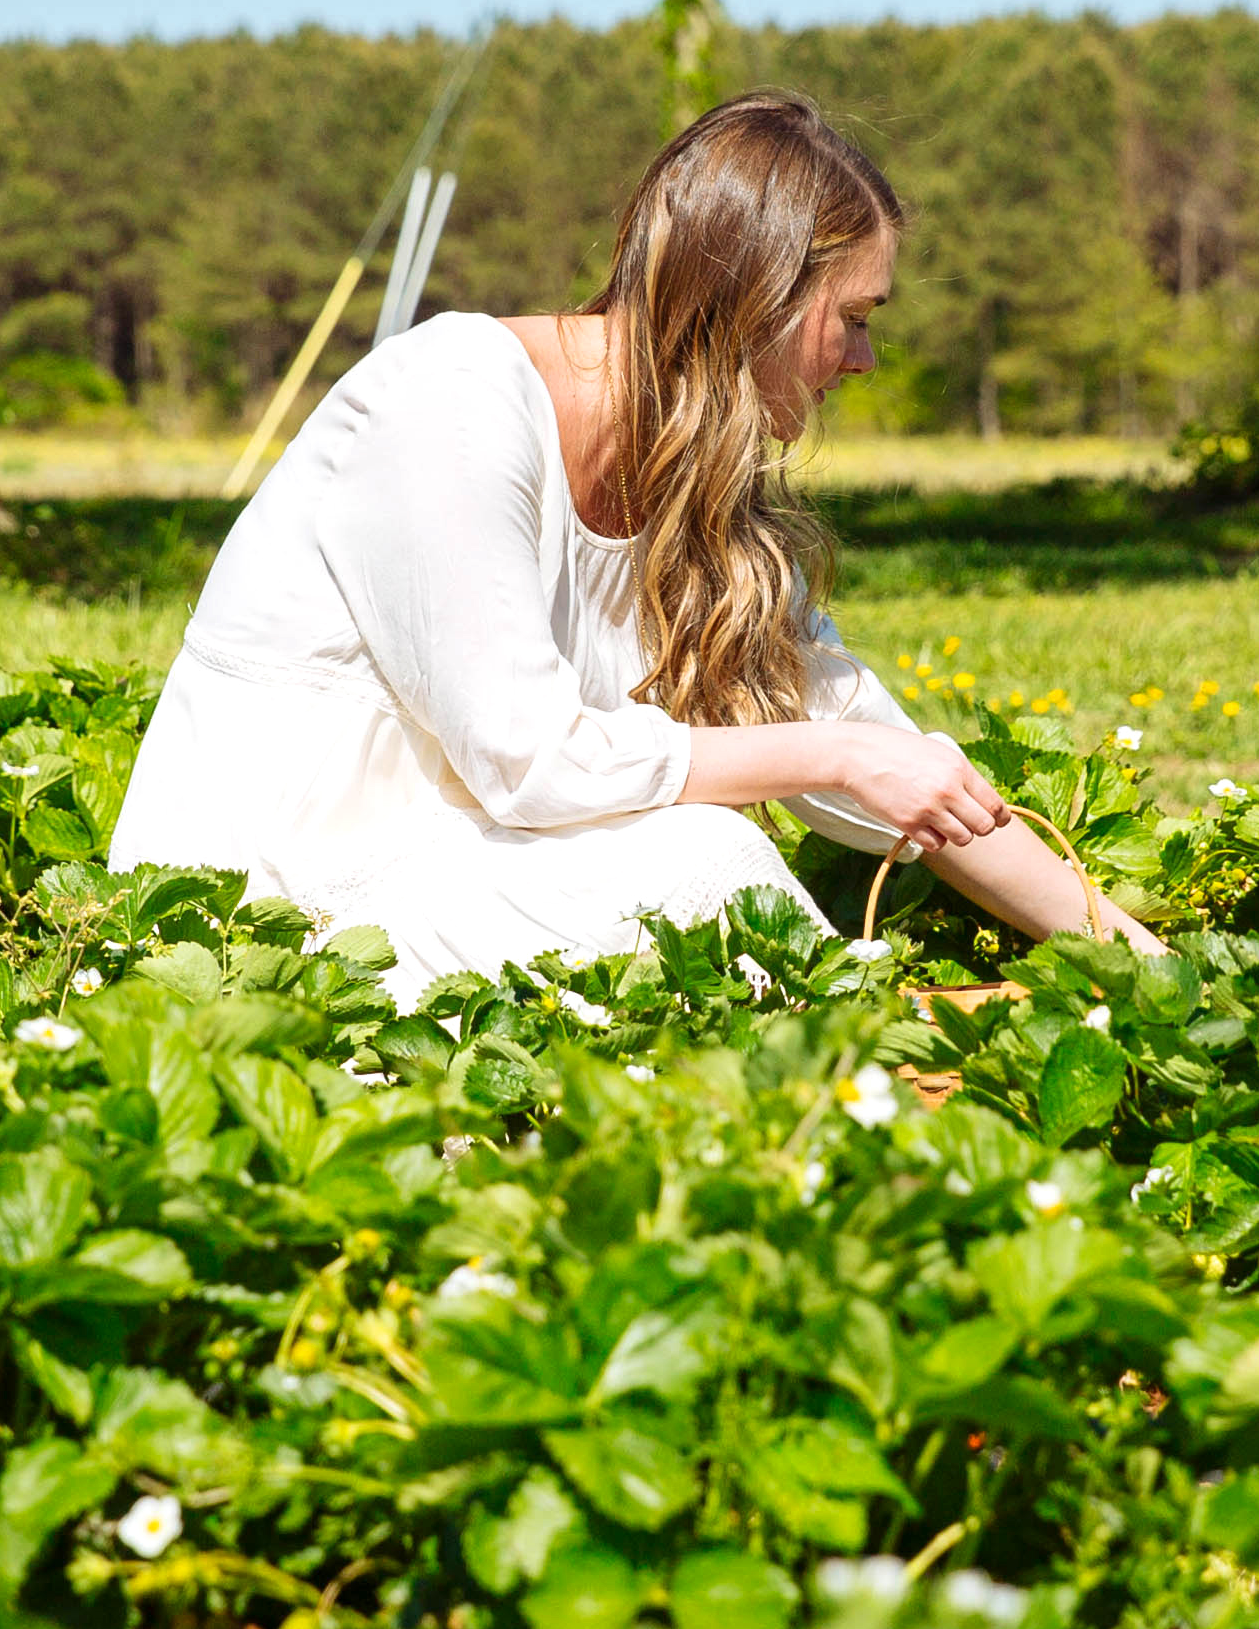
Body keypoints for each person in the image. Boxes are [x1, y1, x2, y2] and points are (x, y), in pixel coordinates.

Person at [110, 93, 1141, 995]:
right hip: (273, 925)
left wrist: (1145, 963)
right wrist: (835, 756)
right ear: (763, 297)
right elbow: (531, 762)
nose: (865, 360)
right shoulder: (450, 401)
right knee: (702, 866)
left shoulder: (700, 493)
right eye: (855, 317)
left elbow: (887, 757)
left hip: (479, 881)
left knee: (696, 879)